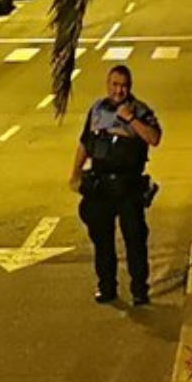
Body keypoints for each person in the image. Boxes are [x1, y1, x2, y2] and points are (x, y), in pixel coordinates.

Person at [70, 64, 162, 304]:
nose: (119, 91)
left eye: (123, 86)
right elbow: (85, 144)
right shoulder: (97, 109)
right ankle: (106, 287)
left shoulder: (140, 110)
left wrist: (130, 119)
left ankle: (139, 290)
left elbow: (154, 138)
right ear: (107, 84)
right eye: (115, 85)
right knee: (102, 241)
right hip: (101, 185)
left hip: (128, 186)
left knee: (134, 238)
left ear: (129, 87)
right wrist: (75, 173)